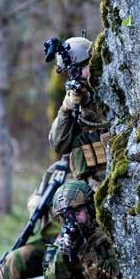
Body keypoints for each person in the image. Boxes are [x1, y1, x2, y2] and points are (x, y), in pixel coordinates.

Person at [48, 36, 110, 188]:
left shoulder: (110, 87)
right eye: (73, 72)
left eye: (82, 68)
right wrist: (66, 109)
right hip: (90, 185)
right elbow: (58, 145)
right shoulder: (74, 101)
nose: (80, 76)